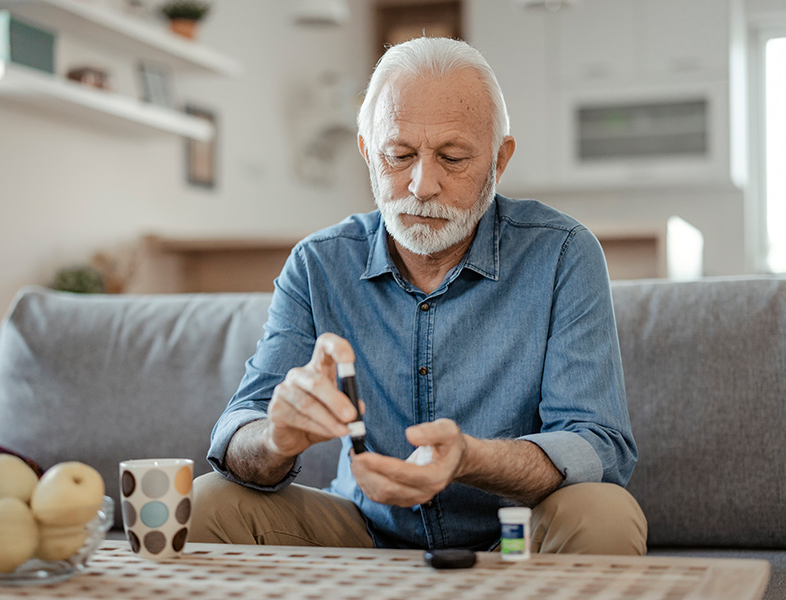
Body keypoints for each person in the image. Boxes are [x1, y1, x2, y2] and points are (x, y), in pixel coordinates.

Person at [191, 36, 647, 554]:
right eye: (399, 155)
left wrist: (469, 458)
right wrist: (275, 435)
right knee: (209, 503)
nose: (422, 184)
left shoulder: (563, 253)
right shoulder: (319, 263)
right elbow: (236, 431)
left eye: (452, 158)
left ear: (500, 161)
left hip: (515, 538)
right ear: (367, 153)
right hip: (364, 536)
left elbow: (598, 446)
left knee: (604, 512)